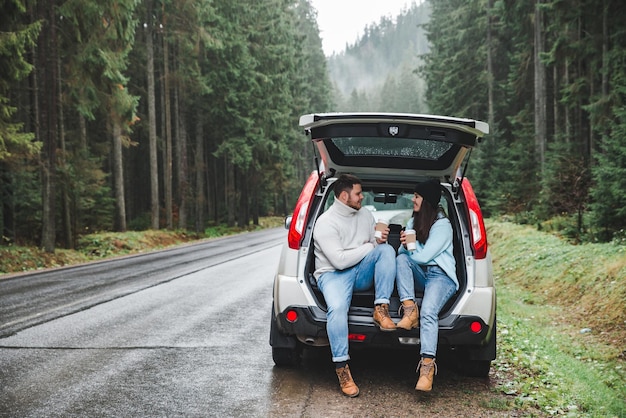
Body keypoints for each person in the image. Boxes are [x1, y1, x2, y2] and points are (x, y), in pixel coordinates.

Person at [313, 174, 397, 397]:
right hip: (332, 275)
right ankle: (342, 368)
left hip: (360, 271)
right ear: (343, 195)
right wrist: (369, 247)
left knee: (386, 250)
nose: (362, 197)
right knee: (337, 309)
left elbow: (375, 247)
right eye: (358, 193)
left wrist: (378, 241)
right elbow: (339, 261)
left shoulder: (366, 214)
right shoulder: (325, 222)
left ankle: (381, 308)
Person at [395, 179, 458, 392]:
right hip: (423, 274)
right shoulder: (414, 222)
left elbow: (424, 257)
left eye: (417, 196)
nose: (413, 199)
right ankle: (410, 310)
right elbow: (404, 257)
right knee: (401, 260)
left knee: (429, 312)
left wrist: (410, 247)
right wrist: (404, 246)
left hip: (441, 276)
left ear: (427, 201)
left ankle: (427, 369)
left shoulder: (443, 226)